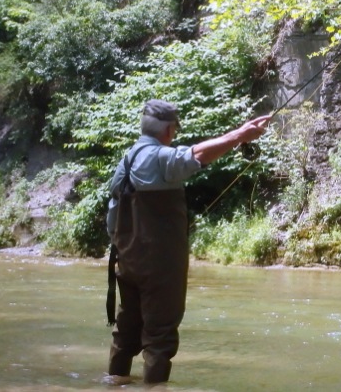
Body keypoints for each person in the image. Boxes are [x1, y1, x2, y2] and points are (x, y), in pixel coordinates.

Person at [104, 99, 271, 385]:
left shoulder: (128, 158)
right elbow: (198, 154)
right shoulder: (160, 158)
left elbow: (112, 213)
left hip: (126, 262)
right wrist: (240, 135)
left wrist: (124, 249)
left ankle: (113, 383)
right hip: (159, 267)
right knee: (159, 338)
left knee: (126, 331)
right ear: (169, 130)